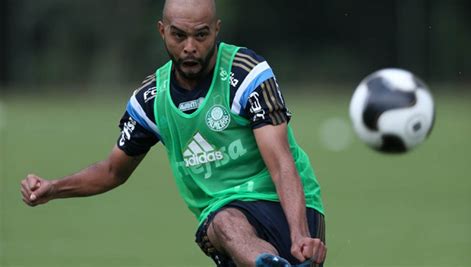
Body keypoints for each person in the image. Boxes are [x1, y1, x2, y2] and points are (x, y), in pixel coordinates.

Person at [20, 0, 327, 266]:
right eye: (179, 35)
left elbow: (281, 163)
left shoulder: (246, 73)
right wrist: (54, 188)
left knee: (226, 221)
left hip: (287, 206)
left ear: (217, 30)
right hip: (227, 223)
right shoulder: (151, 99)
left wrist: (300, 234)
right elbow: (113, 170)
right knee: (225, 220)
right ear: (162, 31)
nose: (190, 47)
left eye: (201, 35)